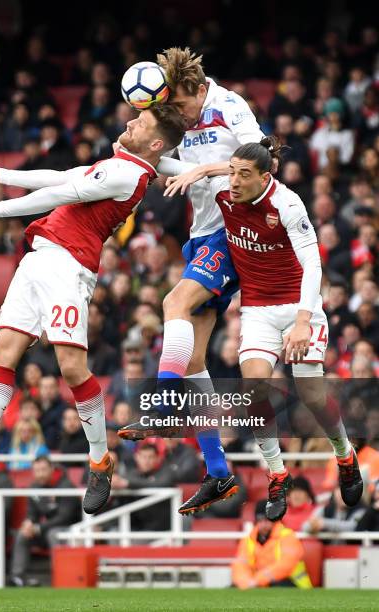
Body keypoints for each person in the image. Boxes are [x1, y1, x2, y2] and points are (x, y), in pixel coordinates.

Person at [0, 104, 186, 517]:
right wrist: (3, 176)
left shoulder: (130, 173)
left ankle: (99, 461)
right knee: (3, 351)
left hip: (70, 266)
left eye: (140, 123)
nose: (129, 122)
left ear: (156, 143)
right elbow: (61, 177)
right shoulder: (118, 164)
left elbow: (62, 194)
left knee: (71, 368)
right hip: (38, 258)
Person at [162, 136, 363, 520]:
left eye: (243, 176)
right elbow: (190, 171)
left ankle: (345, 454)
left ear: (264, 176)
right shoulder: (225, 191)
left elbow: (313, 266)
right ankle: (277, 474)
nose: (234, 183)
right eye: (231, 173)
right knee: (253, 389)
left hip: (299, 308)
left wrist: (303, 322)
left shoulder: (286, 203)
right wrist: (200, 168)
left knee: (313, 396)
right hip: (257, 309)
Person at [119, 47, 264, 515]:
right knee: (196, 359)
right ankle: (218, 471)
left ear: (201, 89)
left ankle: (161, 404)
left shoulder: (228, 105)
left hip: (234, 230)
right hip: (203, 233)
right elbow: (170, 161)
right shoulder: (183, 116)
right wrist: (132, 153)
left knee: (173, 304)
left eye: (182, 104)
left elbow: (262, 158)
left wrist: (205, 168)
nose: (179, 114)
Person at [9, 456, 80, 587]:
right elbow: (31, 513)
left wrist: (38, 528)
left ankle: (60, 577)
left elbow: (65, 517)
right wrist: (28, 523)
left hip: (72, 530)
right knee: (22, 534)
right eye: (36, 470)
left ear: (52, 469)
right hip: (47, 529)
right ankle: (18, 578)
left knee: (53, 533)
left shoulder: (66, 486)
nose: (40, 474)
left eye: (43, 470)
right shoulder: (34, 487)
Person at [231, 499, 312, 589]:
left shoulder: (288, 536)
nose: (264, 524)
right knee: (233, 589)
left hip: (295, 585)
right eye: (260, 520)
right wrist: (245, 582)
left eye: (267, 520)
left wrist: (257, 581)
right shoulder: (248, 540)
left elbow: (285, 565)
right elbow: (240, 565)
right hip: (261, 584)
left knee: (277, 587)